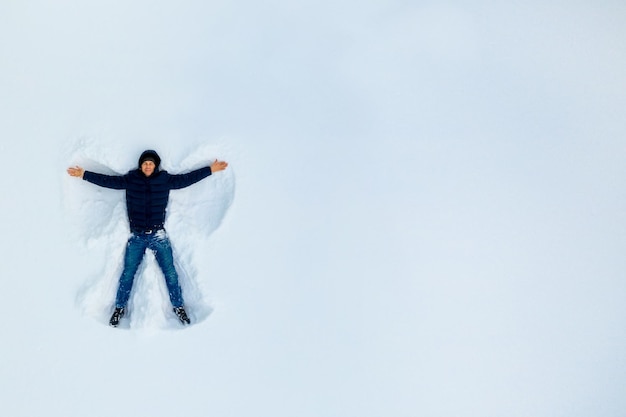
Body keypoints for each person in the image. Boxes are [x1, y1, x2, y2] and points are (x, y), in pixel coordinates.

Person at [67, 150, 228, 327]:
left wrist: (210, 169)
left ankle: (178, 306)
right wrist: (83, 174)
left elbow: (186, 179)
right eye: (145, 163)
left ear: (155, 165)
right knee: (127, 274)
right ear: (141, 165)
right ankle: (120, 307)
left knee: (171, 274)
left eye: (151, 163)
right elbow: (108, 181)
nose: (148, 166)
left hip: (159, 235)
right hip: (136, 236)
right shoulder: (131, 179)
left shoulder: (165, 180)